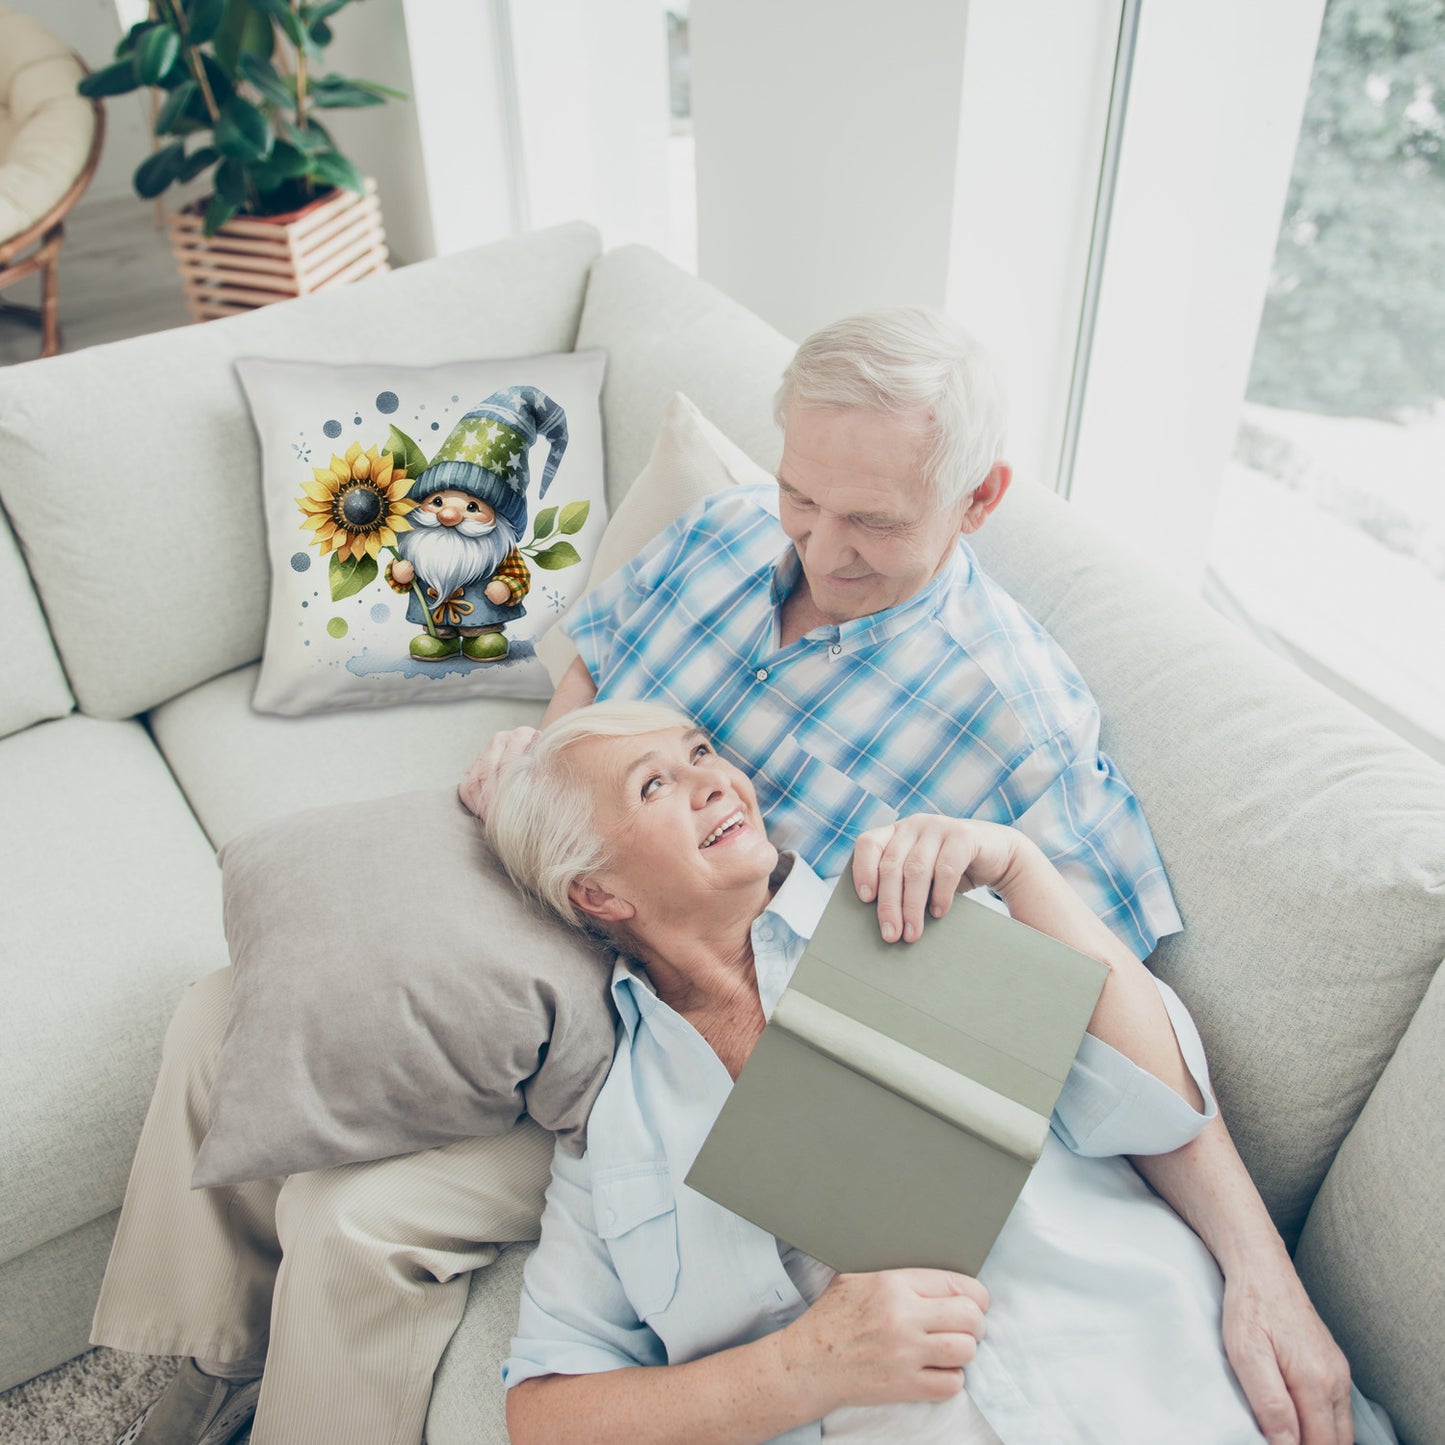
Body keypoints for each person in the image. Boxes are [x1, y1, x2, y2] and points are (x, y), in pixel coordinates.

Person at [94, 309, 1349, 1445]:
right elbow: (594, 668)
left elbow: (1102, 1019)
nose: (819, 545)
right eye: (804, 495)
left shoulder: (1017, 725)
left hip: (693, 1011)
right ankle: (193, 1362)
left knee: (355, 1218)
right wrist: (545, 764)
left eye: (871, 520)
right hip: (580, 886)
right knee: (229, 1007)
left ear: (976, 501)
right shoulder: (726, 532)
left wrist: (1259, 1266)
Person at [487, 701, 1386, 1445]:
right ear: (597, 893)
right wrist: (803, 1367)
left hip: (1175, 1394)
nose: (715, 779)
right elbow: (544, 1414)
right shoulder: (614, 1132)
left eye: (700, 752)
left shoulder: (909, 907)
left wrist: (1020, 868)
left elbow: (1158, 1106)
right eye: (655, 784)